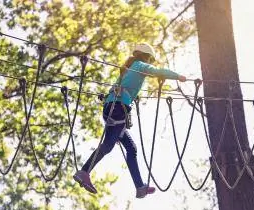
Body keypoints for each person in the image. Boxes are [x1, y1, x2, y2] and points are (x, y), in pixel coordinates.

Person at [73, 43, 187, 198]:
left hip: (112, 108)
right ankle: (84, 172)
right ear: (146, 57)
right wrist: (178, 77)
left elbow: (119, 88)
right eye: (150, 60)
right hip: (118, 109)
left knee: (131, 148)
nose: (150, 63)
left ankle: (140, 187)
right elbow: (157, 71)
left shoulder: (128, 69)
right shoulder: (139, 65)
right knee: (107, 146)